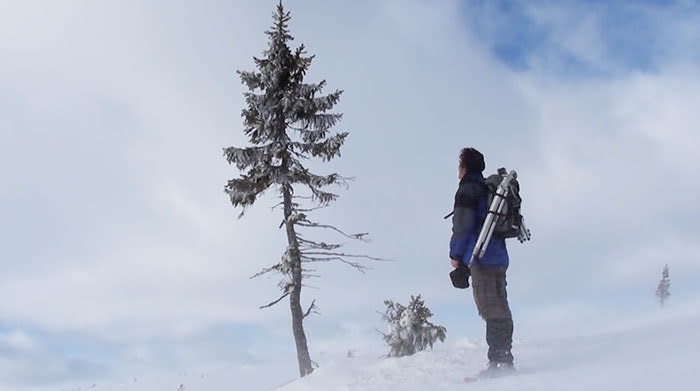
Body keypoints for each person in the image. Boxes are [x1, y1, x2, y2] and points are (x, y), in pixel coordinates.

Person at [449, 147, 514, 374]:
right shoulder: (490, 189)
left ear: (464, 167)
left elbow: (462, 226)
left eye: (459, 165)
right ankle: (503, 357)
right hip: (498, 257)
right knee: (501, 307)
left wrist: (455, 255)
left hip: (482, 258)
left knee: (491, 309)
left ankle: (499, 362)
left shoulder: (468, 189)